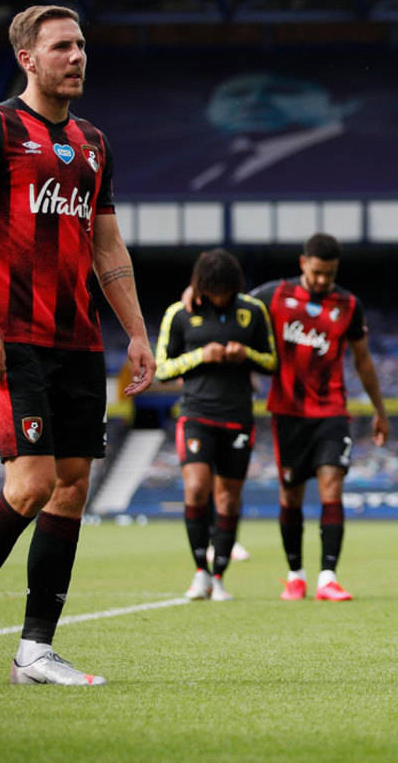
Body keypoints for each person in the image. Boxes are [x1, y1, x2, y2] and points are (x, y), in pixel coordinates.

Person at [0, 5, 155, 686]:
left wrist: (139, 331)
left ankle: (35, 649)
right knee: (30, 484)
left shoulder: (94, 142)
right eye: (63, 46)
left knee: (70, 490)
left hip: (79, 339)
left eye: (83, 45)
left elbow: (106, 244)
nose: (78, 56)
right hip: (13, 335)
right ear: (28, 58)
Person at [189, 233, 389, 600]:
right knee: (291, 497)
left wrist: (380, 410)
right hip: (288, 413)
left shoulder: (348, 304)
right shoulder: (273, 296)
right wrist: (193, 291)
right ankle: (295, 573)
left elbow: (362, 360)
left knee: (332, 486)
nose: (322, 281)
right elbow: (230, 299)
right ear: (303, 264)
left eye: (329, 274)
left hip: (332, 411)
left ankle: (327, 576)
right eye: (316, 273)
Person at [156, 249, 276, 602]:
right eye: (215, 290)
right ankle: (199, 573)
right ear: (204, 286)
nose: (221, 297)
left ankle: (220, 577)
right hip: (196, 413)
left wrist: (246, 355)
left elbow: (271, 361)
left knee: (228, 498)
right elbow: (162, 368)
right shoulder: (180, 313)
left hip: (238, 416)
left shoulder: (253, 312)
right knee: (196, 489)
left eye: (227, 290)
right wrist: (200, 355)